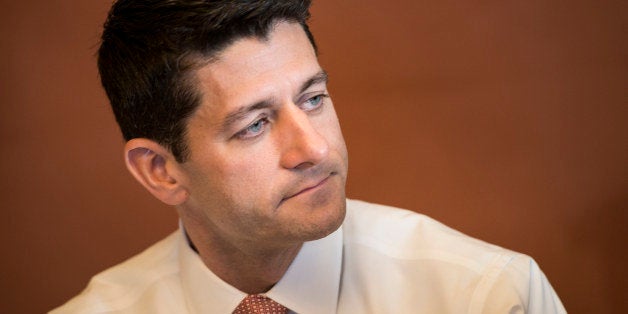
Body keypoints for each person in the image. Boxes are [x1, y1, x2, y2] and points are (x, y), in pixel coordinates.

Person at [52, 0, 566, 313]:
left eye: (313, 99)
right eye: (254, 125)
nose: (315, 148)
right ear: (160, 171)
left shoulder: (488, 298)